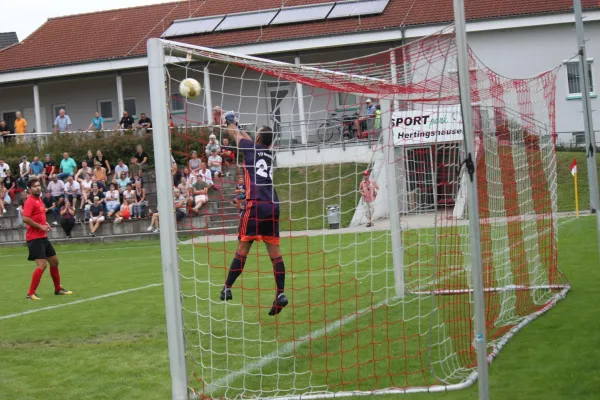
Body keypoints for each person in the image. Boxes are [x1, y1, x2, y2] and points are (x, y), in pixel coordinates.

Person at [219, 112, 288, 316]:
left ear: (258, 138)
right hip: (273, 204)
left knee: (242, 249)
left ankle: (227, 288)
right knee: (275, 254)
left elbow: (236, 136)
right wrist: (239, 125)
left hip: (255, 204)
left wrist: (229, 121)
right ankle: (281, 294)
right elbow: (248, 139)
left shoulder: (250, 147)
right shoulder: (269, 152)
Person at [22, 177, 73, 300]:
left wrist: (45, 224)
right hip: (34, 238)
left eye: (38, 185)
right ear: (30, 189)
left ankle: (58, 289)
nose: (37, 187)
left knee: (54, 262)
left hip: (42, 237)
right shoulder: (30, 201)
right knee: (42, 265)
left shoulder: (39, 199)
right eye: (34, 186)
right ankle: (30, 294)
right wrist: (40, 226)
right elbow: (25, 218)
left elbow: (39, 216)